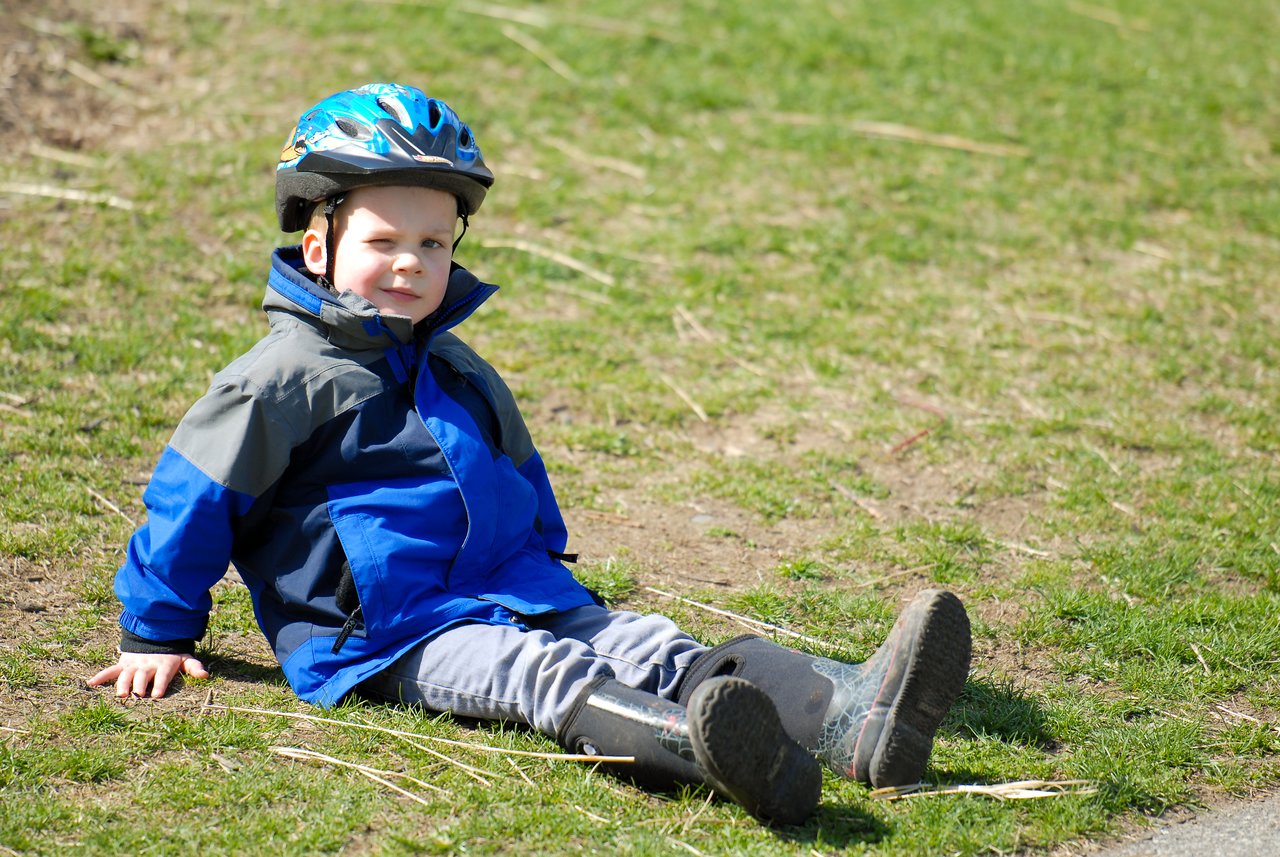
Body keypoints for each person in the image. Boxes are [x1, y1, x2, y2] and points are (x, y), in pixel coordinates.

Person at [88, 83, 972, 825]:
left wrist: (547, 571)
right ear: (318, 247)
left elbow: (518, 471)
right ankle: (711, 755)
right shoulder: (278, 380)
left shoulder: (453, 363)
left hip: (510, 587)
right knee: (538, 672)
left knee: (644, 637)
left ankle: (851, 715)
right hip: (389, 633)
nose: (410, 264)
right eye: (382, 242)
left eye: (432, 242)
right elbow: (190, 498)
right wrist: (155, 630)